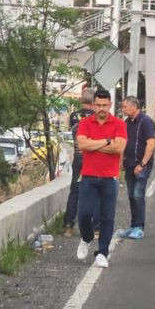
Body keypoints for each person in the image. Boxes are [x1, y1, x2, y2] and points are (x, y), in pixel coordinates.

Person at [75, 89, 127, 268]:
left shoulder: (119, 124)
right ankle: (87, 238)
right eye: (98, 105)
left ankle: (102, 253)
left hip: (109, 177)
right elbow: (82, 144)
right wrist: (106, 141)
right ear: (93, 105)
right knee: (84, 213)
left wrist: (93, 145)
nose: (102, 108)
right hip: (89, 176)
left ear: (110, 105)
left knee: (107, 217)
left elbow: (118, 148)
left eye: (105, 105)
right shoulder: (85, 123)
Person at [117, 96, 155, 240]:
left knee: (138, 194)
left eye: (125, 106)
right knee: (131, 195)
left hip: (141, 165)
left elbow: (150, 144)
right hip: (129, 165)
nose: (123, 109)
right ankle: (133, 225)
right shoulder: (127, 123)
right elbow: (124, 142)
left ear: (134, 106)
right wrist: (121, 160)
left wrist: (142, 164)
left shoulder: (146, 122)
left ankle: (139, 227)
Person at [63, 89, 100, 237]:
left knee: (75, 191)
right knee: (97, 192)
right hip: (94, 158)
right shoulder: (98, 117)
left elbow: (72, 132)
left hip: (78, 157)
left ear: (81, 100)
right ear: (94, 102)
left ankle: (68, 225)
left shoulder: (73, 116)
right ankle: (96, 228)